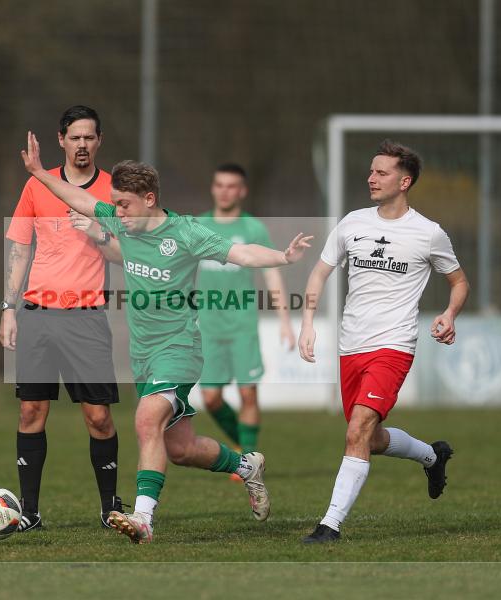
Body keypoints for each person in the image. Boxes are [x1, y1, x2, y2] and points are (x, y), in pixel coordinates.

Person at [20, 131, 313, 544]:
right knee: (181, 448)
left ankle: (142, 519)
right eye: (115, 204)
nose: (116, 213)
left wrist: (283, 257)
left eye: (124, 204)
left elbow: (241, 254)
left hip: (179, 349)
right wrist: (37, 172)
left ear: (150, 199)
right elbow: (81, 199)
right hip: (143, 355)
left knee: (144, 419)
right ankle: (246, 466)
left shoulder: (187, 233)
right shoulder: (124, 221)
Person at [298, 139, 470, 543]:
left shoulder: (428, 233)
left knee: (356, 430)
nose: (371, 177)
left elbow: (459, 282)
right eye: (371, 170)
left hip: (393, 346)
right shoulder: (353, 222)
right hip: (350, 346)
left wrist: (448, 313)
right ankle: (432, 455)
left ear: (404, 181)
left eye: (382, 172)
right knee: (369, 439)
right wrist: (307, 322)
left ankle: (330, 526)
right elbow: (319, 273)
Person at [0, 106, 124, 532]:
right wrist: (7, 309)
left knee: (99, 418)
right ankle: (28, 512)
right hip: (36, 314)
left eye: (89, 137)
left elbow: (128, 255)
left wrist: (99, 232)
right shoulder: (37, 186)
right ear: (61, 140)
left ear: (99, 141)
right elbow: (18, 247)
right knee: (31, 411)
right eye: (75, 137)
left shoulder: (111, 190)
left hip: (86, 318)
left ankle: (110, 506)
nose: (82, 145)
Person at [196, 164, 295, 463]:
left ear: (242, 191)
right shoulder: (197, 226)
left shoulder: (253, 229)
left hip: (242, 325)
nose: (224, 191)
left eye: (231, 186)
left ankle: (249, 462)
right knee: (211, 399)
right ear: (213, 188)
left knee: (248, 395)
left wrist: (285, 321)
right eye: (219, 185)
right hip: (207, 327)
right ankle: (247, 451)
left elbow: (272, 274)